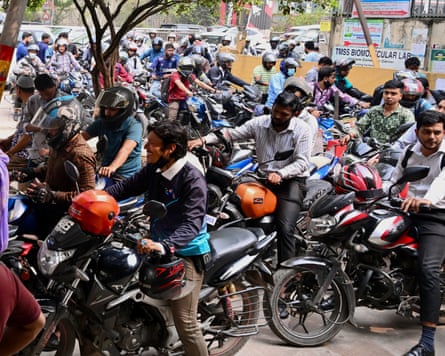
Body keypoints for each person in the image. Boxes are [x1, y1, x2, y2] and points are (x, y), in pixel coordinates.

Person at [105, 120, 210, 356]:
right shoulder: (155, 168)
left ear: (170, 149)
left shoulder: (192, 179)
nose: (145, 148)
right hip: (154, 244)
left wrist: (165, 245)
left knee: (187, 324)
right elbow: (125, 188)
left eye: (152, 144)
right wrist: (95, 198)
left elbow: (191, 223)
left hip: (186, 254)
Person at [189, 92, 312, 264]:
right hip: (263, 178)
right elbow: (231, 134)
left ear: (295, 114)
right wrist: (203, 140)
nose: (277, 116)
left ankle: (287, 275)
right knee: (232, 205)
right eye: (276, 111)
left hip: (291, 181)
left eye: (283, 114)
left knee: (285, 228)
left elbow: (302, 161)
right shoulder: (260, 123)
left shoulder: (302, 130)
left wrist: (281, 173)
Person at [386, 110, 445, 356]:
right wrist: (378, 193)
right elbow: (394, 180)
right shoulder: (410, 152)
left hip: (437, 215)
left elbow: (441, 184)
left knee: (428, 269)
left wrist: (426, 201)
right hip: (408, 211)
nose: (432, 137)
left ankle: (427, 342)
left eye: (437, 132)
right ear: (417, 131)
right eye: (427, 132)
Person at [18, 98, 96, 237]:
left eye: (53, 128)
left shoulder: (80, 154)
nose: (49, 133)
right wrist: (31, 172)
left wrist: (53, 195)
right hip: (47, 208)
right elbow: (53, 169)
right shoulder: (59, 144)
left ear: (67, 126)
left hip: (63, 217)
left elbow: (86, 195)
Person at [82, 86, 143, 182]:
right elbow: (81, 138)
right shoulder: (102, 123)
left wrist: (112, 167)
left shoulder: (134, 126)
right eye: (105, 108)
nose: (107, 113)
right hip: (104, 173)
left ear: (123, 110)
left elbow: (125, 150)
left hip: (126, 177)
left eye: (112, 109)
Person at [340, 79, 415, 145]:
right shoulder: (374, 110)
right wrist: (350, 135)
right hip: (370, 150)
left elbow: (408, 138)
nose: (388, 96)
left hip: (391, 154)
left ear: (400, 96)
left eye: (393, 94)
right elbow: (360, 127)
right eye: (386, 93)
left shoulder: (406, 115)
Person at [0, 75, 35, 170]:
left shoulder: (31, 107)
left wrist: (10, 153)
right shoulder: (27, 104)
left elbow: (27, 138)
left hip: (24, 154)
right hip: (17, 147)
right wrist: (8, 139)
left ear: (18, 90)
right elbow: (20, 130)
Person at [167, 56, 217, 121]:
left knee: (199, 109)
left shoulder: (190, 75)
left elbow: (199, 82)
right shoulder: (175, 74)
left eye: (189, 68)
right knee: (172, 119)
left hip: (186, 98)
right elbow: (179, 84)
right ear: (180, 67)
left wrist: (212, 90)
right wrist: (188, 91)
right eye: (185, 67)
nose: (187, 70)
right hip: (175, 99)